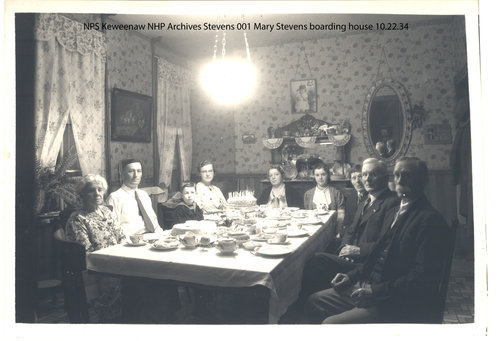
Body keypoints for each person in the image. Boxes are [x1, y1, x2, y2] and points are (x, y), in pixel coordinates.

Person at [305, 157, 450, 324]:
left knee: (330, 325)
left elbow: (421, 279)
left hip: (395, 302)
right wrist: (350, 277)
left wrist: (374, 291)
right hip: (371, 286)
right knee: (313, 301)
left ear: (423, 180)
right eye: (397, 175)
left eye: (407, 175)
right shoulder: (397, 210)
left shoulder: (430, 220)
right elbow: (377, 255)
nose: (400, 180)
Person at [299, 159, 399, 304]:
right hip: (351, 256)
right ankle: (320, 298)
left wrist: (358, 251)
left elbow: (389, 244)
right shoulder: (366, 199)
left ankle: (312, 304)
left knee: (315, 261)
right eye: (364, 175)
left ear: (385, 177)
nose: (367, 179)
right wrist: (344, 248)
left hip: (366, 262)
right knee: (313, 254)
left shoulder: (392, 203)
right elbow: (351, 230)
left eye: (373, 174)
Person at [65, 174, 125, 322]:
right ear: (82, 194)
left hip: (117, 260)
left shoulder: (107, 211)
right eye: (91, 190)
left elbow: (121, 236)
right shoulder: (77, 218)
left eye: (100, 189)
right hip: (97, 267)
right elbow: (86, 252)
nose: (97, 194)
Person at [107, 158, 163, 237]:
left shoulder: (144, 195)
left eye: (139, 171)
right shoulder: (115, 197)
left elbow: (154, 221)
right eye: (131, 171)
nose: (136, 175)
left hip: (152, 236)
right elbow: (113, 228)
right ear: (122, 174)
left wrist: (161, 235)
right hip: (130, 241)